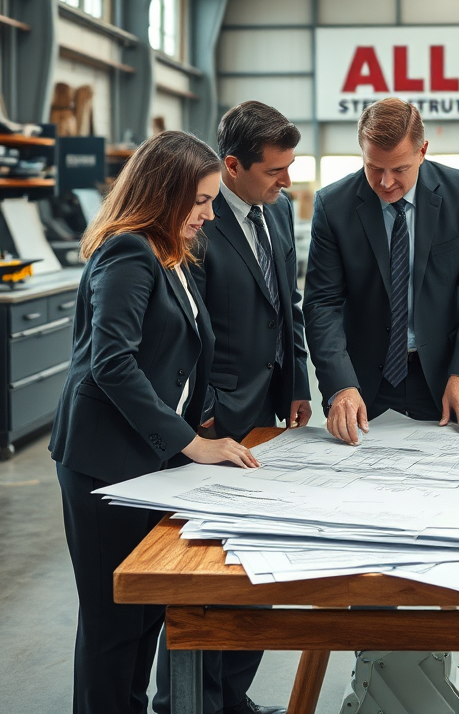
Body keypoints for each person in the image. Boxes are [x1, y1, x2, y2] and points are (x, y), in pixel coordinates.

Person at [303, 98, 459, 713]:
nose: (385, 182)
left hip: (445, 382)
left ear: (424, 150)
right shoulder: (336, 204)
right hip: (366, 388)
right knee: (368, 522)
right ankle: (376, 649)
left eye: (398, 168)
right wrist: (339, 384)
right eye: (373, 167)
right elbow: (321, 302)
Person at [50, 130, 259, 714]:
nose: (208, 214)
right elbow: (111, 364)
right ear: (163, 195)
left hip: (147, 458)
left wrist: (204, 421)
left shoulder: (170, 252)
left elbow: (177, 353)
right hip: (104, 461)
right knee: (113, 622)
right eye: (200, 201)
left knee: (144, 612)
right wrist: (191, 443)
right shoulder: (128, 252)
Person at [153, 101, 311, 714]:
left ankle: (231, 698)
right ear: (233, 165)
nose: (287, 181)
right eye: (275, 170)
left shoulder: (279, 211)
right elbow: (186, 322)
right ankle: (184, 699)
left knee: (259, 562)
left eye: (289, 167)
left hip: (268, 409)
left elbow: (286, 303)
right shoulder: (196, 222)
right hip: (216, 418)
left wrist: (297, 382)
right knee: (205, 567)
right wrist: (207, 411)